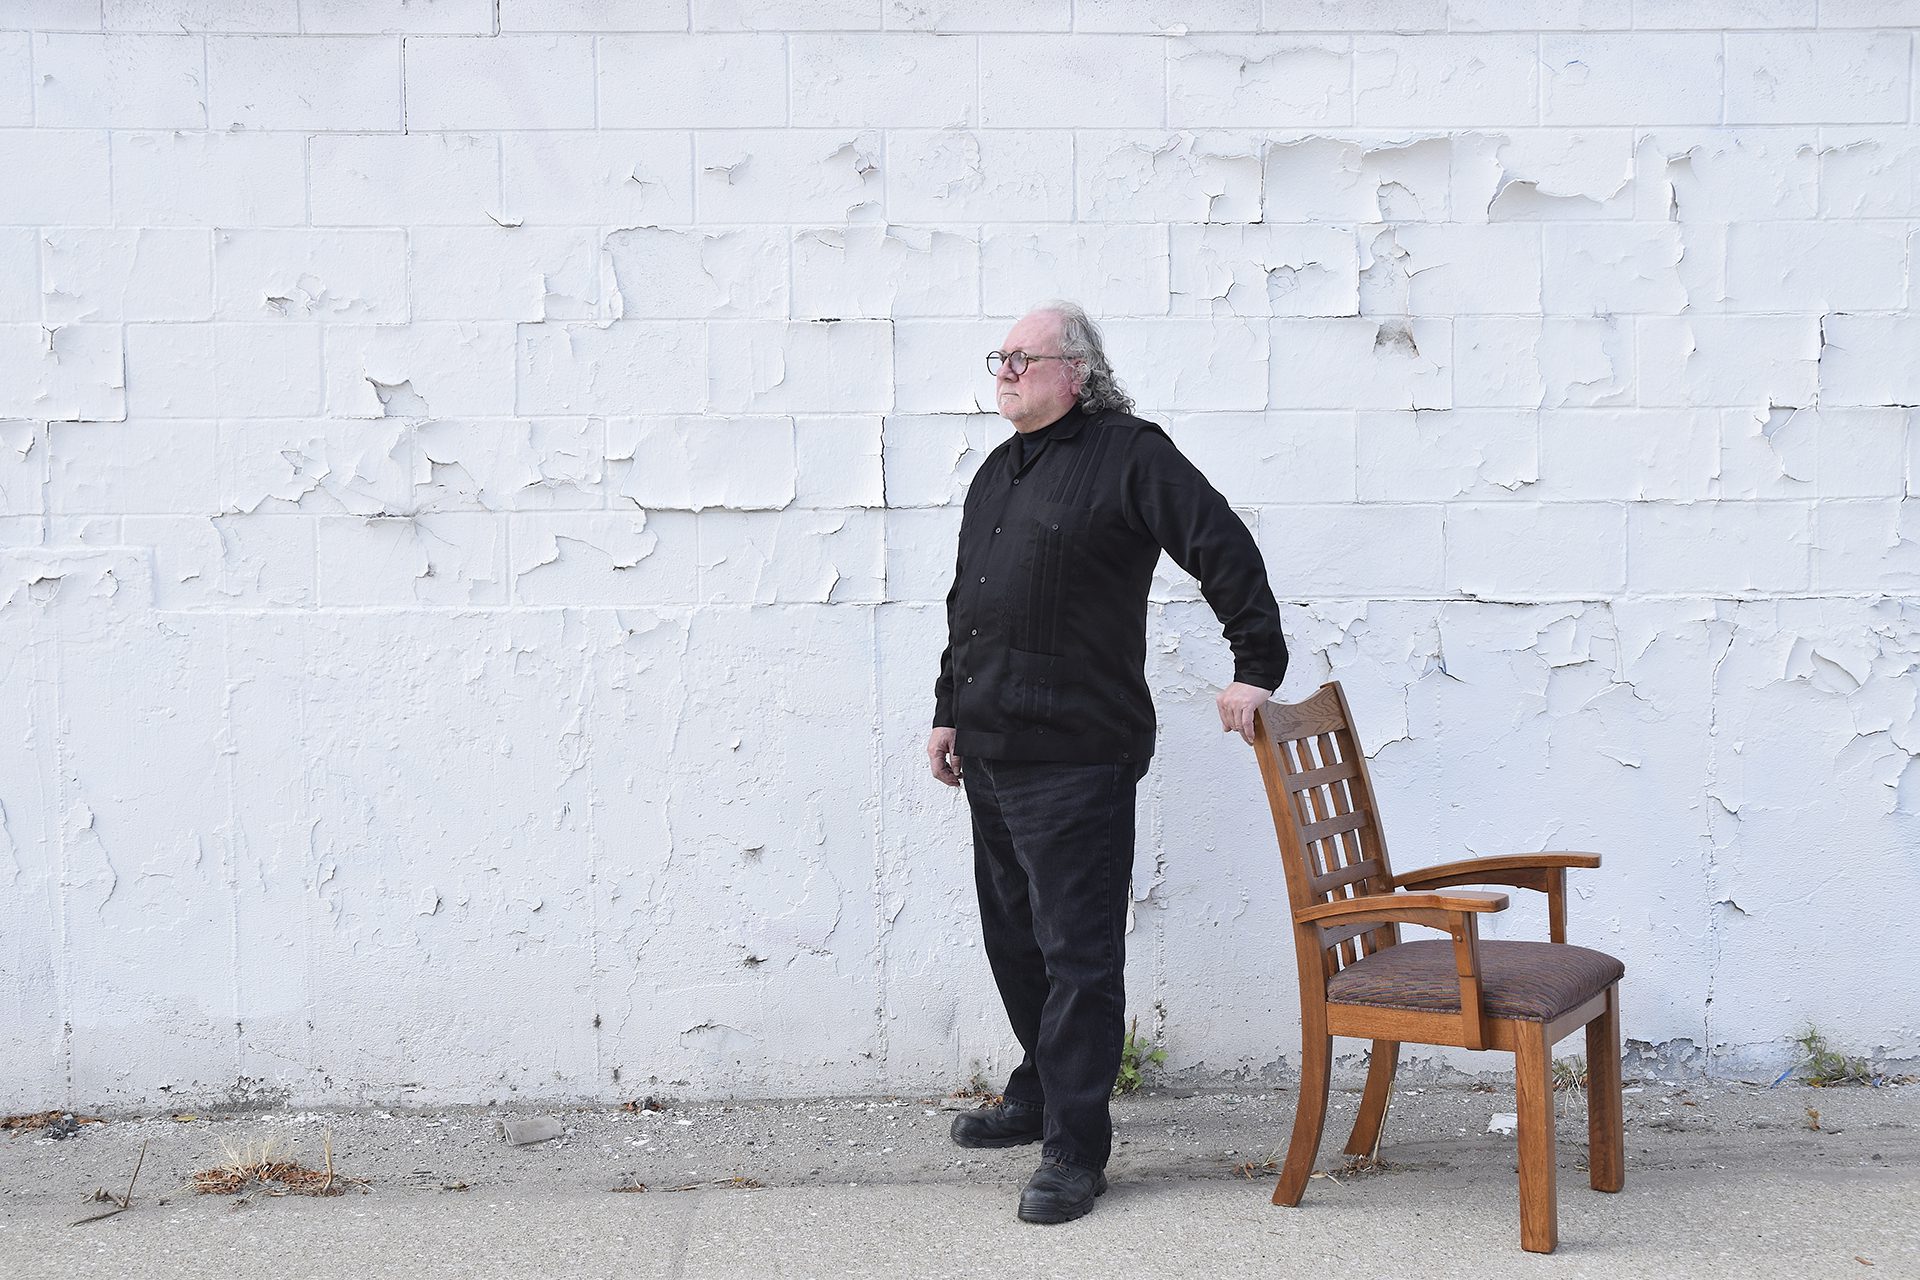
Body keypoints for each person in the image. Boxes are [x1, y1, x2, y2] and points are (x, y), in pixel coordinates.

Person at [928, 301, 1289, 1224]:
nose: (1003, 371)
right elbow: (968, 600)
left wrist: (1255, 669)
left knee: (1077, 954)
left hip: (1080, 755)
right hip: (994, 750)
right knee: (1014, 941)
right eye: (997, 356)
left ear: (1076, 370)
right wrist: (946, 712)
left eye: (1022, 357)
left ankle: (1076, 1151)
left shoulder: (1132, 454)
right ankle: (1041, 1091)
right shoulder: (997, 473)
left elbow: (1224, 547)